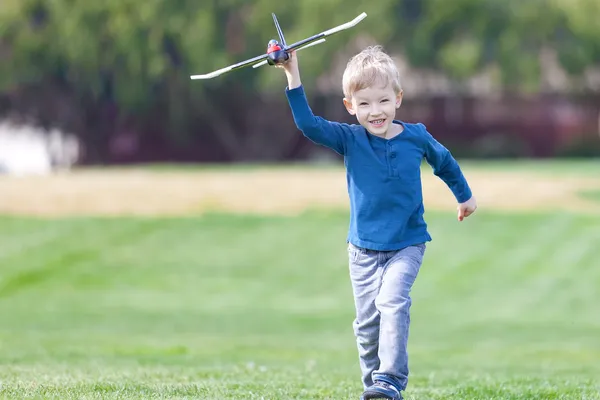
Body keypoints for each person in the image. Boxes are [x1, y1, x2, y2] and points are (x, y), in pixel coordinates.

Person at [278, 45, 477, 400]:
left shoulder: (416, 136)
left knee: (393, 302)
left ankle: (390, 379)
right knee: (367, 327)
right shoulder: (349, 139)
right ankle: (376, 389)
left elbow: (444, 162)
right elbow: (308, 124)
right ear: (350, 106)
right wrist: (292, 72)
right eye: (365, 104)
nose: (376, 112)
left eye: (383, 101)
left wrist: (464, 196)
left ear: (398, 99)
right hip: (363, 251)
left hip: (407, 244)